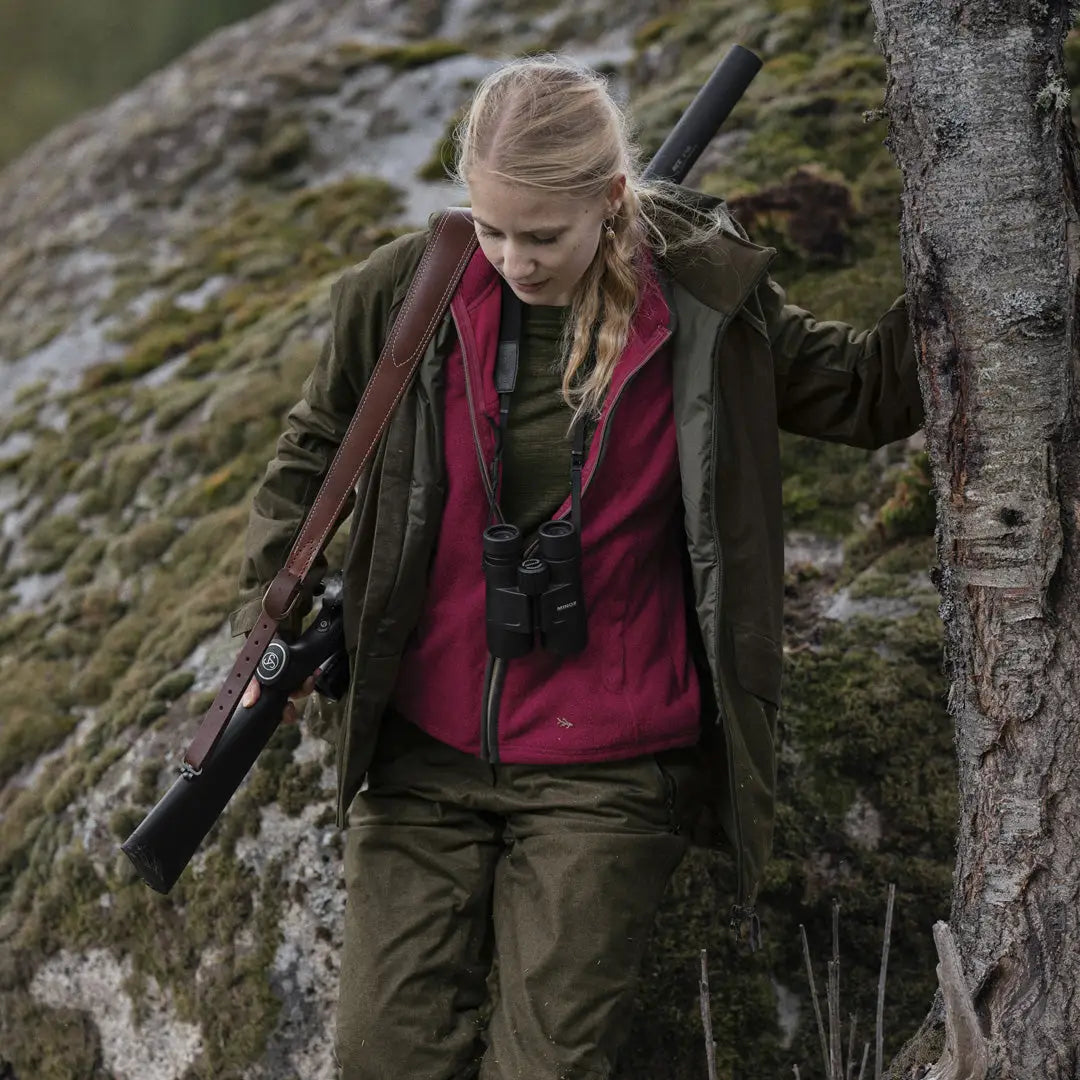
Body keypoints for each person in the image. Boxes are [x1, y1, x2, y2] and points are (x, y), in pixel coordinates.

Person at [231, 53, 923, 1080]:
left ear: (611, 200)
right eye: (491, 226)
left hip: (606, 763)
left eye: (542, 234)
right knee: (382, 1061)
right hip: (421, 753)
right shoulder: (405, 293)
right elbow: (312, 448)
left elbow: (867, 395)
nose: (512, 258)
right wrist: (268, 622)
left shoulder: (704, 302)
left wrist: (998, 252)